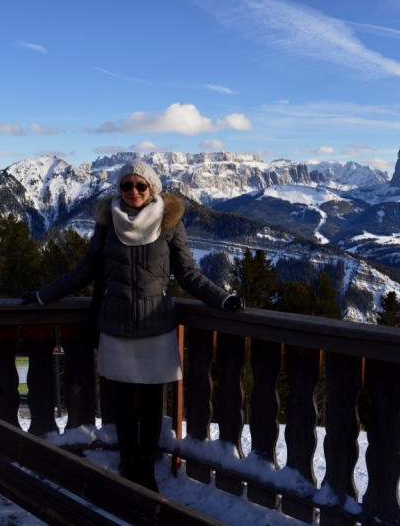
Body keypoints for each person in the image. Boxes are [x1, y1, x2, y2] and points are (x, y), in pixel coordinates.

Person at [21, 160, 245, 492]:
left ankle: (146, 464)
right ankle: (129, 463)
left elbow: (188, 274)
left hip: (158, 325)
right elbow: (84, 271)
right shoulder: (107, 223)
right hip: (116, 325)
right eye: (127, 186)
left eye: (141, 186)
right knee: (125, 401)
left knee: (153, 401)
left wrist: (222, 299)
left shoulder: (169, 225)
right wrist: (42, 295)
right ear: (119, 189)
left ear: (152, 188)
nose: (134, 192)